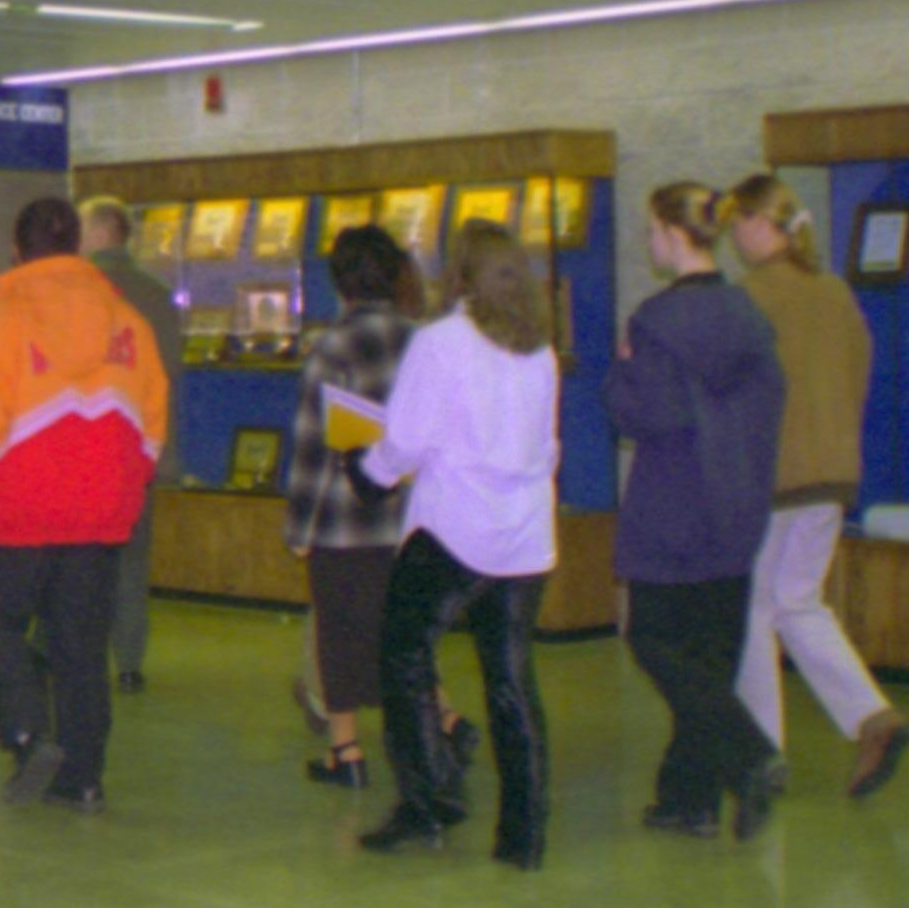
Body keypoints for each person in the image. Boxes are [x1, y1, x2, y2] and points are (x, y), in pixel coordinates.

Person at [0, 197, 170, 813]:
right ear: (78, 247)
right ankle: (85, 777)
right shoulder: (129, 324)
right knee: (82, 646)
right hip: (99, 516)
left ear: (16, 252)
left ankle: (26, 733)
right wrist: (127, 480)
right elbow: (153, 421)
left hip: (18, 512)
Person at [351, 222, 563, 863]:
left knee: (405, 659)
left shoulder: (442, 342)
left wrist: (368, 474)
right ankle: (524, 834)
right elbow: (548, 446)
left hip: (453, 530)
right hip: (525, 536)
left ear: (459, 275)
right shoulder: (540, 349)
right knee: (512, 679)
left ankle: (429, 803)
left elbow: (407, 439)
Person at [603, 182, 787, 840]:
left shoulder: (655, 323)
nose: (649, 243)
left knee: (652, 639)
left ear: (672, 235)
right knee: (708, 660)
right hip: (738, 504)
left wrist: (620, 372)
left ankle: (750, 753)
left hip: (673, 504)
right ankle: (690, 798)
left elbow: (645, 414)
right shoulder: (750, 316)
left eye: (651, 230)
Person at [725, 173, 909, 798]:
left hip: (775, 477)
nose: (733, 233)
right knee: (798, 601)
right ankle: (870, 715)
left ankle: (760, 752)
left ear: (763, 223)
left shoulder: (749, 296)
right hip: (833, 476)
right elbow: (859, 374)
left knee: (751, 609)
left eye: (739, 221)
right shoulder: (835, 293)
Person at [278, 225, 418, 790]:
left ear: (341, 281)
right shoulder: (421, 340)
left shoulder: (332, 348)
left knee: (338, 633)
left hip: (343, 521)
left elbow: (315, 445)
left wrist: (299, 525)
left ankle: (347, 752)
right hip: (412, 517)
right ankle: (424, 738)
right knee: (406, 633)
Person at [79, 197, 186, 694]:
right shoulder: (158, 296)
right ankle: (129, 661)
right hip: (140, 449)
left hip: (85, 448)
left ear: (101, 233)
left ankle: (76, 651)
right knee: (132, 560)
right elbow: (170, 379)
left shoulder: (77, 292)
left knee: (77, 557)